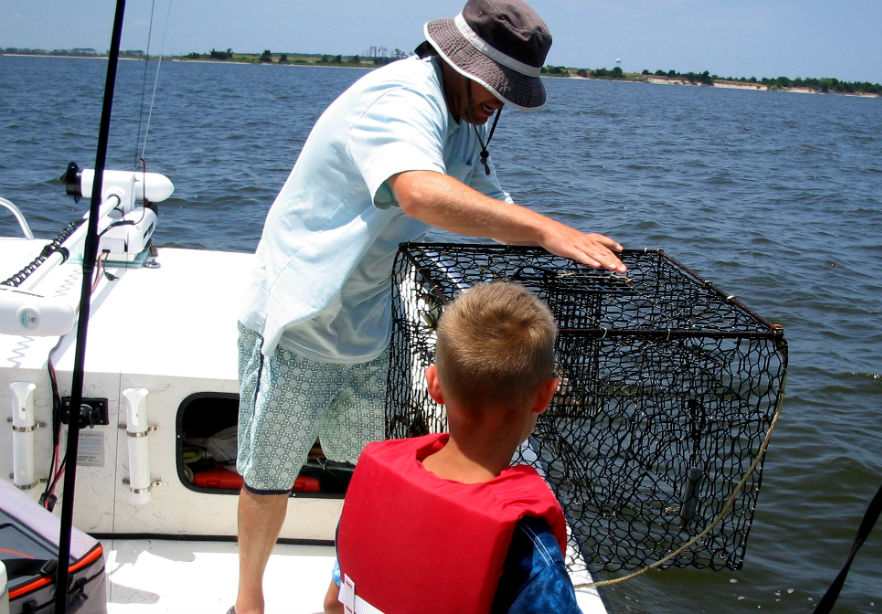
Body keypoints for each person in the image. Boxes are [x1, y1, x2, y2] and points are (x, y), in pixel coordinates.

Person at [233, 0, 624, 611]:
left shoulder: (461, 118)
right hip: (300, 315)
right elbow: (418, 191)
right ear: (460, 62)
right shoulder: (401, 98)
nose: (501, 103)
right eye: (497, 87)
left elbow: (492, 206)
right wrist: (546, 230)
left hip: (367, 323)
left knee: (371, 476)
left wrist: (565, 237)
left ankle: (340, 595)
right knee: (268, 474)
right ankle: (248, 601)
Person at [324, 281, 581, 614]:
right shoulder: (529, 550)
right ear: (545, 395)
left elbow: (333, 603)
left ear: (435, 384)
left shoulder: (376, 486)